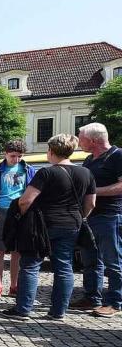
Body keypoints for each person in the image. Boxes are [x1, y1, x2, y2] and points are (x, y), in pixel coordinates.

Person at [4, 134, 95, 320]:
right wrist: (79, 217)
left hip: (43, 225)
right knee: (64, 267)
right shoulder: (86, 173)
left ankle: (23, 309)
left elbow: (26, 200)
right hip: (71, 224)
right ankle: (58, 311)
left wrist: (20, 218)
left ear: (51, 151)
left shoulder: (46, 172)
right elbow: (91, 203)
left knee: (30, 264)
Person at [73, 122, 122, 317]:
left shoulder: (118, 156)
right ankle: (92, 297)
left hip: (111, 215)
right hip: (90, 216)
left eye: (81, 137)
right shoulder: (89, 160)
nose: (78, 141)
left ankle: (115, 302)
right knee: (91, 260)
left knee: (113, 260)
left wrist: (93, 192)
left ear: (93, 140)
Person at [0, 140, 35, 298]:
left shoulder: (29, 170)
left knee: (17, 252)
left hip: (20, 211)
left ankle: (14, 285)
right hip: (0, 211)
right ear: (5, 154)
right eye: (13, 156)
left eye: (19, 156)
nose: (16, 159)